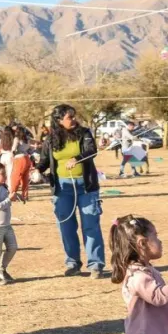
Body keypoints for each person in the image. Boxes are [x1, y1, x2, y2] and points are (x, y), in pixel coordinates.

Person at [36, 104, 107, 278]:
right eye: (69, 117)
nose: (74, 120)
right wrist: (36, 169)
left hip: (86, 187)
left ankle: (95, 264)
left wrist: (77, 159)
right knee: (66, 227)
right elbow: (45, 160)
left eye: (74, 116)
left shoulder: (84, 133)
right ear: (59, 121)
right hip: (62, 188)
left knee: (91, 225)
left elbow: (91, 151)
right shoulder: (50, 139)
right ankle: (73, 263)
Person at [9, 126, 33, 203]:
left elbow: (13, 149)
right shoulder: (27, 139)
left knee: (15, 177)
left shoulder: (17, 139)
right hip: (27, 158)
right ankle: (25, 195)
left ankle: (12, 194)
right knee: (25, 178)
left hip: (19, 158)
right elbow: (30, 149)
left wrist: (12, 156)